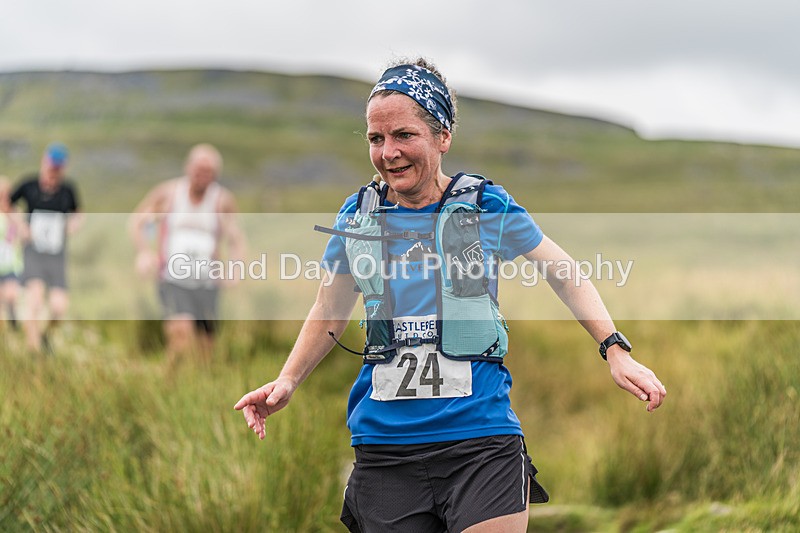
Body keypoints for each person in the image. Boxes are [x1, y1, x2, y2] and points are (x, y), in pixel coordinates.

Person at [235, 59, 666, 532]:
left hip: (480, 443)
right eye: (376, 139)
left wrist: (614, 349)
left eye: (404, 135)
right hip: (385, 451)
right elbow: (330, 308)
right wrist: (288, 381)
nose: (388, 153)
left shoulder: (485, 206)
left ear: (443, 137)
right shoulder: (359, 216)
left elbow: (564, 272)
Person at [130, 143, 245, 364]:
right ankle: (166, 386)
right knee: (180, 337)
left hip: (207, 283)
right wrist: (144, 253)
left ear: (215, 175)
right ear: (188, 167)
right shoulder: (168, 194)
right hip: (172, 280)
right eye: (199, 169)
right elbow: (138, 222)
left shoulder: (223, 201)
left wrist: (234, 269)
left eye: (209, 171)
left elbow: (236, 240)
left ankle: (197, 391)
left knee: (206, 350)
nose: (202, 175)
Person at [10, 143, 83, 352]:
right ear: (44, 162)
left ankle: (45, 336)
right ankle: (34, 352)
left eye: (58, 167)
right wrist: (21, 225)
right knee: (35, 298)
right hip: (33, 251)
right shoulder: (29, 185)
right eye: (52, 165)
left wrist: (73, 225)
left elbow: (78, 212)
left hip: (56, 254)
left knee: (59, 307)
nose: (54, 170)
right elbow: (7, 203)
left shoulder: (68, 189)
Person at [0, 176, 24, 329]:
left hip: (11, 264)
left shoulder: (16, 213)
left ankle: (13, 317)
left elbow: (22, 234)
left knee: (11, 296)